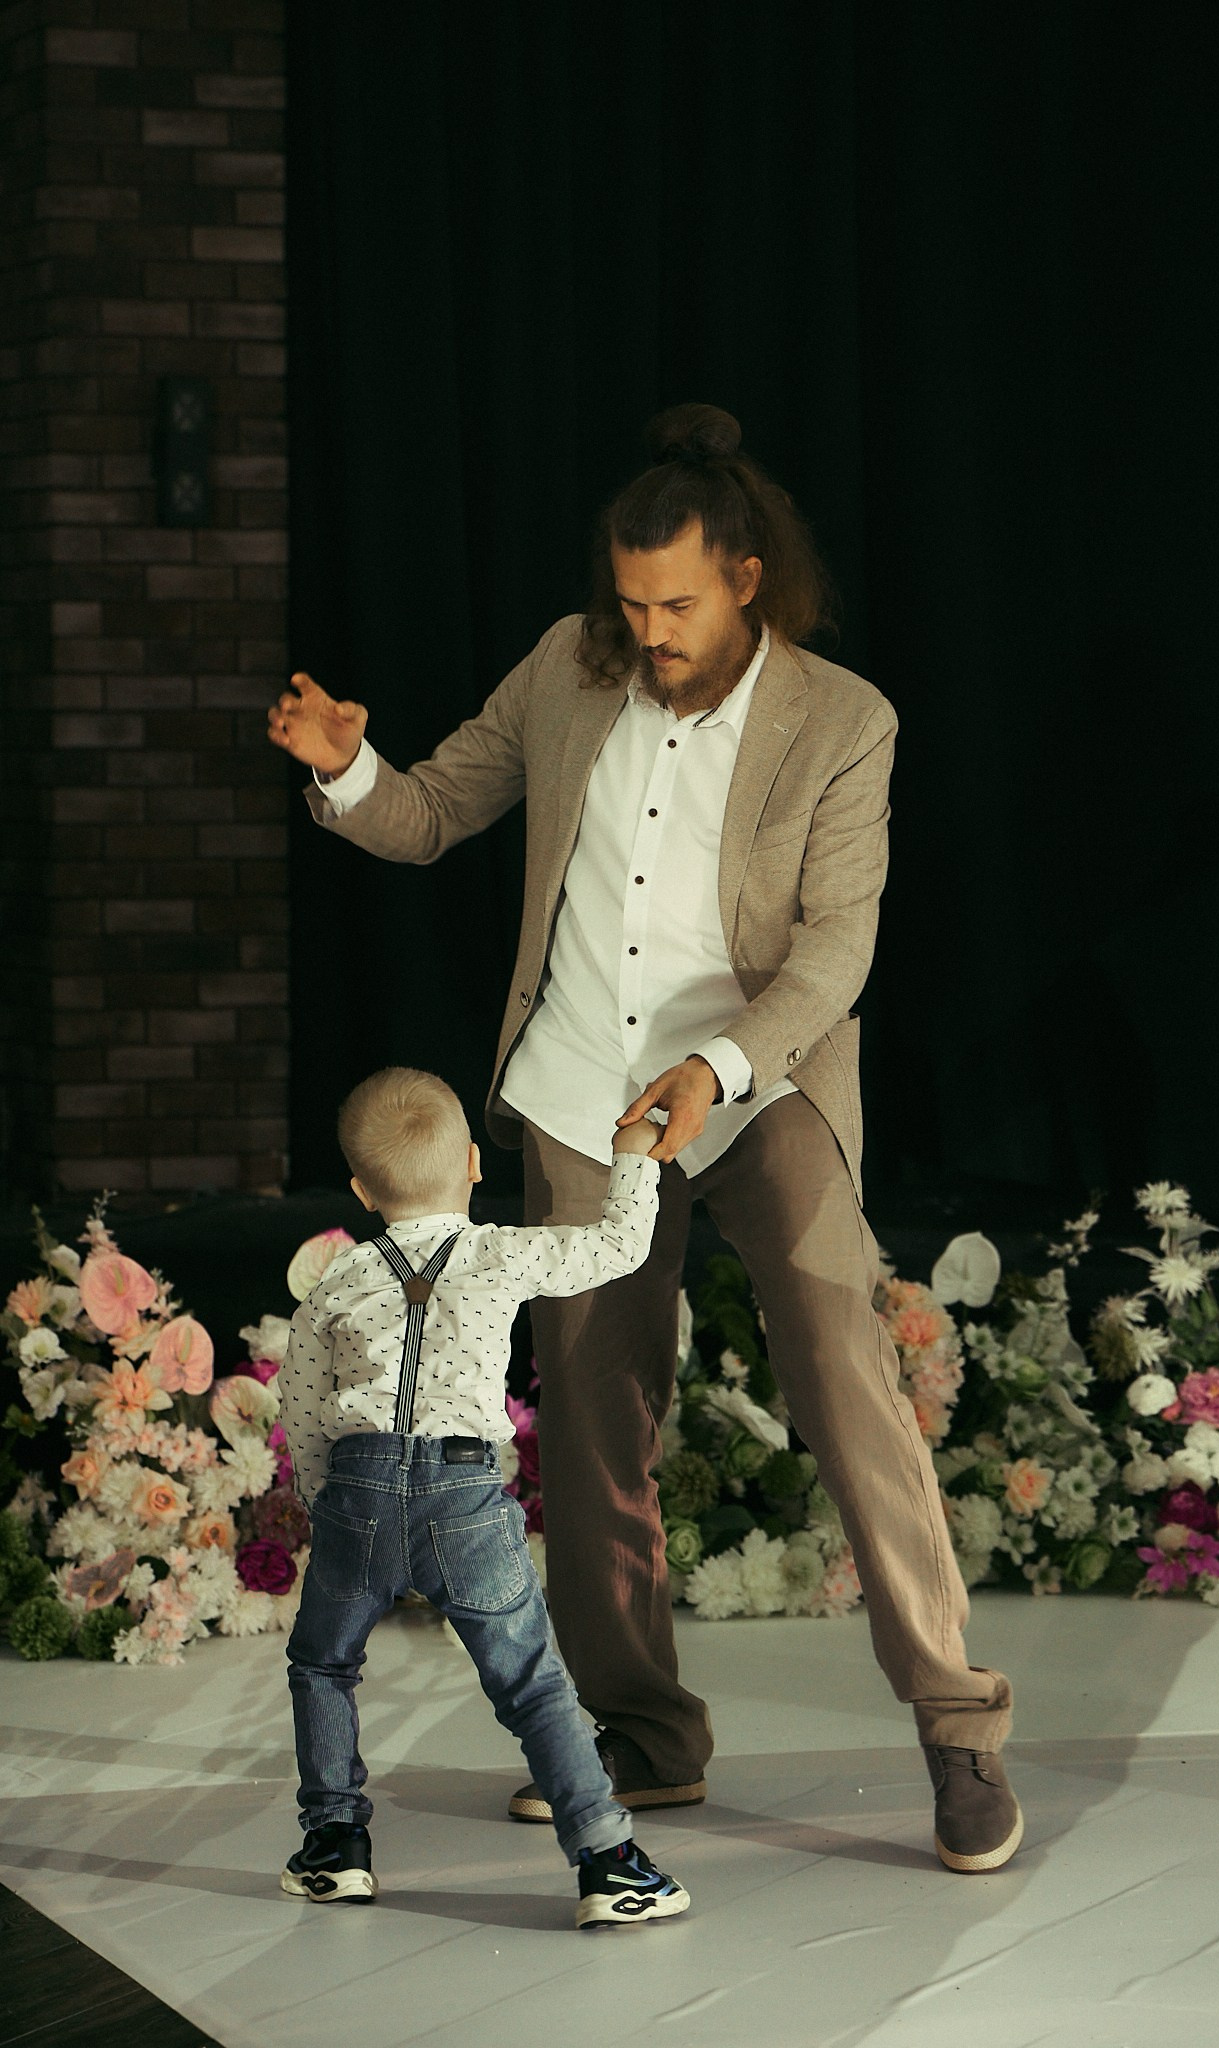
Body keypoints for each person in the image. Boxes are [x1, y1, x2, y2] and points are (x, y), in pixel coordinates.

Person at [269, 404, 1023, 1875]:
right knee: (597, 1418)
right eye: (629, 601)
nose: (648, 632)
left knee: (848, 1382)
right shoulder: (570, 666)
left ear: (746, 577)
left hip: (759, 1083)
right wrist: (350, 768)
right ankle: (642, 1732)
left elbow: (836, 951)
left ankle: (957, 1725)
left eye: (674, 604)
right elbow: (432, 812)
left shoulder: (842, 720)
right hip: (580, 1093)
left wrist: (717, 1066)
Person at [276, 1064, 690, 1929]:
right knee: (532, 1684)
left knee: (322, 1665)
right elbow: (617, 1247)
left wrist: (326, 1501)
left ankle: (334, 1847)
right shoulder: (500, 1252)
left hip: (357, 1487)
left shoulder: (336, 1284)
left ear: (361, 1192)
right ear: (472, 1162)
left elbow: (304, 1407)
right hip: (463, 1493)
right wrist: (632, 1157)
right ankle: (607, 1862)